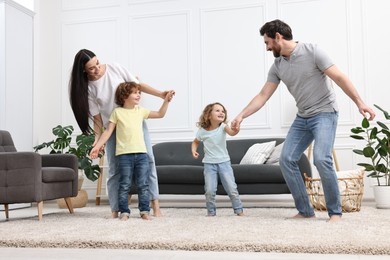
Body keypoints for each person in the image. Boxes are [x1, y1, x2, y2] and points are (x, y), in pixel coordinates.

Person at [231, 19, 375, 222]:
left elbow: (339, 78)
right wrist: (241, 115)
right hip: (303, 117)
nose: (267, 48)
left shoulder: (313, 51)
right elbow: (263, 95)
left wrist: (360, 103)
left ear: (278, 36)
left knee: (321, 158)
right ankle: (306, 210)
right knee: (286, 159)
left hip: (325, 113)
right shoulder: (278, 65)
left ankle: (335, 213)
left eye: (267, 42)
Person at [69, 49, 174, 218]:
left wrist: (161, 94)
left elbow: (138, 86)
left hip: (134, 123)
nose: (98, 68)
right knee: (115, 170)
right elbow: (97, 120)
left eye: (97, 63)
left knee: (149, 161)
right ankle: (115, 209)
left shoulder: (114, 68)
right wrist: (97, 143)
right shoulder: (88, 88)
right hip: (113, 126)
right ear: (83, 70)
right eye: (92, 68)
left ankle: (155, 205)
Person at [90, 82, 174, 220]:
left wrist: (166, 101)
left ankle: (144, 212)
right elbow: (108, 132)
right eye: (135, 92)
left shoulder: (140, 111)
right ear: (124, 96)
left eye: (139, 92)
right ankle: (124, 212)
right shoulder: (117, 113)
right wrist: (97, 146)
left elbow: (160, 114)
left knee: (143, 184)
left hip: (141, 155)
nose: (138, 95)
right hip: (123, 156)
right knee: (124, 185)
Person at [192, 102, 244, 217]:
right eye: (217, 110)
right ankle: (211, 212)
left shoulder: (223, 127)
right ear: (208, 115)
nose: (221, 112)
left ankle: (239, 210)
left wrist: (236, 128)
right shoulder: (202, 131)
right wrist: (194, 150)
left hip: (224, 163)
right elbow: (195, 141)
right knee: (210, 190)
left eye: (223, 111)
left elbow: (232, 133)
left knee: (231, 188)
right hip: (209, 165)